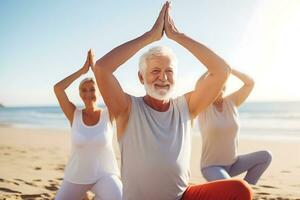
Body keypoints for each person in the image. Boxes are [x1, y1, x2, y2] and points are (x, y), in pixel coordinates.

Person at [93, 2, 252, 200]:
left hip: (182, 196)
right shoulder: (127, 108)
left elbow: (222, 70)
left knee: (240, 190)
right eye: (155, 71)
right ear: (141, 78)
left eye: (169, 71)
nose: (163, 77)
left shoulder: (187, 107)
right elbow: (101, 69)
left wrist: (178, 36)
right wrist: (150, 36)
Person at [53, 50, 122, 200]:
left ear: (99, 92)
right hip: (75, 177)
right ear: (79, 93)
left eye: (92, 89)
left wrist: (97, 72)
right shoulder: (74, 114)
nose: (88, 93)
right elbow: (58, 88)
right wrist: (83, 71)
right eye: (84, 90)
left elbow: (113, 88)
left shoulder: (109, 113)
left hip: (105, 175)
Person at [198, 69, 272, 185]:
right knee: (230, 187)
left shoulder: (231, 101)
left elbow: (250, 83)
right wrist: (212, 67)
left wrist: (229, 69)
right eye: (215, 85)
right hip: (211, 167)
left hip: (233, 163)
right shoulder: (203, 106)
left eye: (221, 85)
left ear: (224, 87)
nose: (218, 88)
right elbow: (199, 86)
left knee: (266, 156)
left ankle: (248, 189)